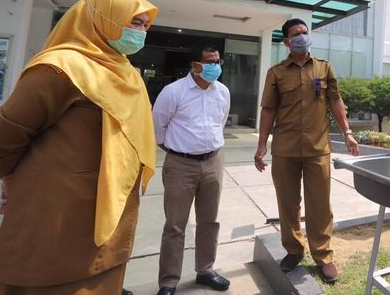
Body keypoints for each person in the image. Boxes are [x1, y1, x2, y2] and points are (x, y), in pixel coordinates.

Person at [0, 0, 158, 294]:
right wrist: (12, 176)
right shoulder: (60, 68)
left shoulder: (127, 72)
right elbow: (5, 135)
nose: (141, 32)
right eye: (135, 22)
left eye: (145, 25)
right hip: (58, 211)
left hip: (112, 204)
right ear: (104, 17)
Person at [254, 18, 359, 283]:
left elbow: (335, 100)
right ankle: (293, 250)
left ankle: (323, 255)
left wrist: (347, 133)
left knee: (320, 204)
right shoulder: (276, 72)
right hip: (285, 149)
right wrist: (260, 145)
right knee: (288, 204)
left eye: (304, 32)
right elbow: (268, 110)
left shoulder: (324, 68)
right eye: (296, 34)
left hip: (318, 148)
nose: (302, 37)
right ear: (287, 42)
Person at [153, 46, 231, 294]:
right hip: (180, 164)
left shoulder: (222, 92)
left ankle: (205, 270)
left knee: (209, 221)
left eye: (218, 61)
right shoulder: (173, 92)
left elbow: (221, 122)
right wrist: (180, 151)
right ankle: (168, 281)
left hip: (213, 162)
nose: (215, 67)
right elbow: (158, 128)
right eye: (209, 62)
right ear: (194, 65)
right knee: (175, 225)